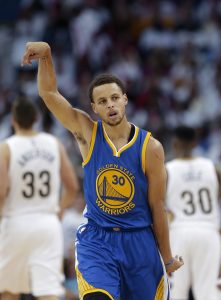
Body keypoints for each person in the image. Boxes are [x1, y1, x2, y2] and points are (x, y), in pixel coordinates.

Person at [21, 41, 184, 300]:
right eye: (103, 101)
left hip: (139, 242)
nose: (110, 105)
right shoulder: (87, 133)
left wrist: (166, 257)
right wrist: (47, 56)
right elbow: (50, 95)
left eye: (115, 98)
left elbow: (157, 205)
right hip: (98, 240)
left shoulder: (150, 147)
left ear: (125, 100)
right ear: (94, 108)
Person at [0, 97, 78, 300]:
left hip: (15, 222)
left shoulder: (6, 147)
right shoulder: (54, 143)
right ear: (36, 118)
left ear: (13, 120)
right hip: (47, 223)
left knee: (9, 290)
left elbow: (1, 191)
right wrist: (59, 209)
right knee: (49, 291)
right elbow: (72, 187)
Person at [165, 126, 221, 300]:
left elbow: (156, 206)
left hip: (178, 234)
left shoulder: (168, 169)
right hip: (209, 233)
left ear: (174, 144)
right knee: (210, 295)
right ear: (195, 143)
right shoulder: (213, 167)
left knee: (176, 295)